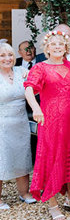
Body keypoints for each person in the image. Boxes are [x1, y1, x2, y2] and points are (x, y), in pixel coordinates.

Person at [24, 30, 70, 220]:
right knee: (51, 157)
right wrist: (35, 108)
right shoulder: (40, 67)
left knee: (69, 156)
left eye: (61, 44)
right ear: (47, 47)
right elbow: (28, 89)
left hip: (69, 120)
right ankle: (52, 203)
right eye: (54, 44)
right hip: (49, 119)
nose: (58, 47)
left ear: (66, 47)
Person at [0, 43, 34, 209]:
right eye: (2, 56)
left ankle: (24, 193)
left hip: (20, 122)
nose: (7, 59)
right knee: (2, 158)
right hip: (2, 124)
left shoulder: (22, 71)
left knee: (23, 155)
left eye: (10, 55)